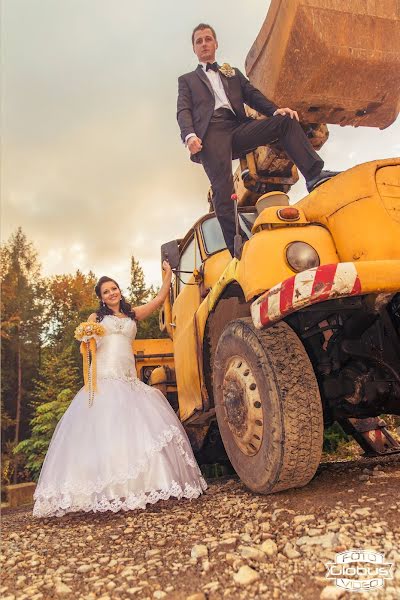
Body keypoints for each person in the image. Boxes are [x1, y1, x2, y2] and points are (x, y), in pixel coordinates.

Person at [33, 262, 207, 517]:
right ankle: (105, 492)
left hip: (128, 379)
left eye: (114, 288)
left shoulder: (132, 315)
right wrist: (87, 338)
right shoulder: (96, 319)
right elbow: (89, 345)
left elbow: (159, 299)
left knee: (137, 430)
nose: (111, 293)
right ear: (101, 298)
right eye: (106, 291)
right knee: (105, 431)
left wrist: (168, 275)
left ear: (119, 291)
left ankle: (144, 485)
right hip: (104, 379)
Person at [177, 23, 339, 256]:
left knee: (285, 121)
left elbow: (252, 95)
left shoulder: (230, 73)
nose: (204, 44)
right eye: (199, 41)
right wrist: (189, 135)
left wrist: (275, 111)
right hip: (211, 133)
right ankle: (239, 247)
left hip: (237, 127)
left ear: (215, 43)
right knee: (223, 188)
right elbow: (183, 110)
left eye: (208, 39)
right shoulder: (187, 80)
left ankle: (314, 175)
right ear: (194, 48)